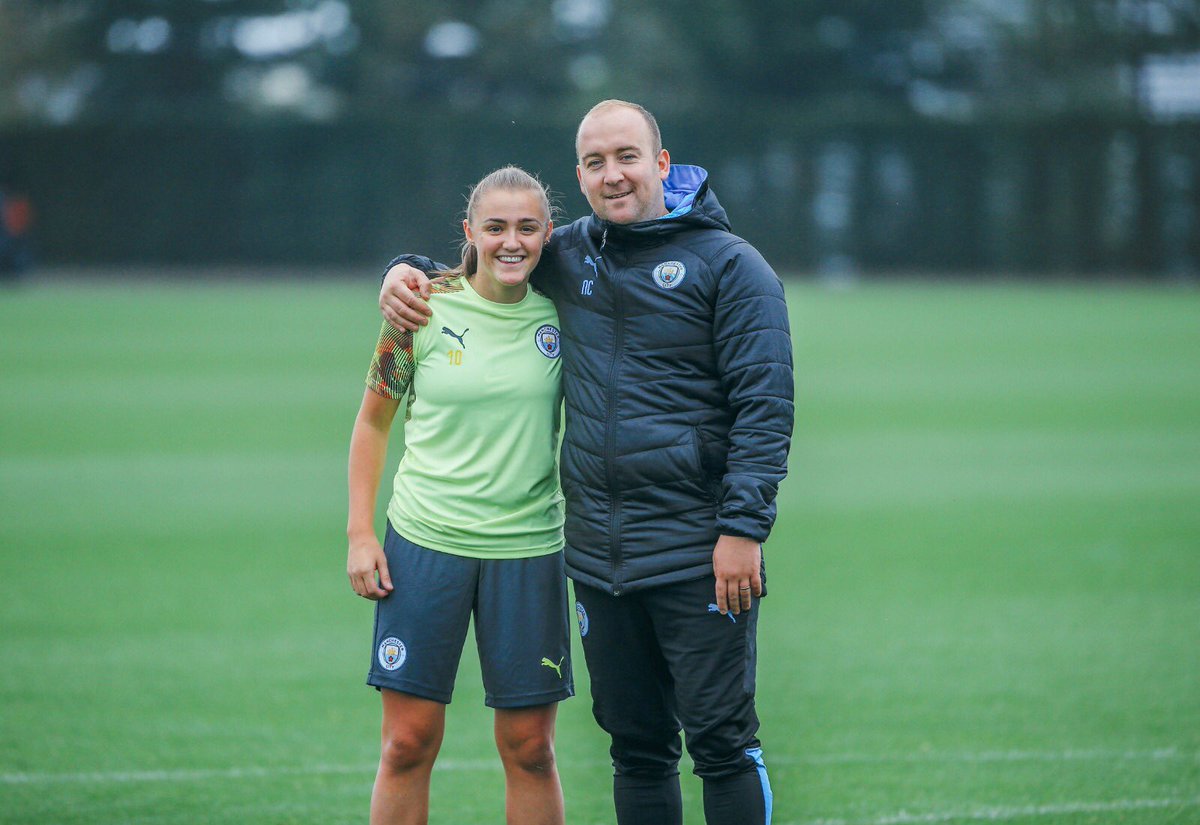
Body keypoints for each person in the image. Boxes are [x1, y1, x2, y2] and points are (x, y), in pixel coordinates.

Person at [379, 100, 794, 825]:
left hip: (700, 547)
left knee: (723, 742)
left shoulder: (732, 266)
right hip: (601, 557)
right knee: (637, 749)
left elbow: (766, 407)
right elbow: (488, 258)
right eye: (596, 162)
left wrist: (742, 530)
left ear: (662, 163)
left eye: (627, 157)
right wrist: (404, 271)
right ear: (580, 175)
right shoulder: (569, 254)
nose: (614, 175)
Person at [347, 166, 572, 825]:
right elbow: (372, 422)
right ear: (469, 232)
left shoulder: (568, 314)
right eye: (495, 227)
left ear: (548, 234)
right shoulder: (418, 308)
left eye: (527, 228)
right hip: (424, 545)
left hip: (528, 550)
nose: (511, 242)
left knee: (531, 749)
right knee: (407, 743)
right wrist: (360, 533)